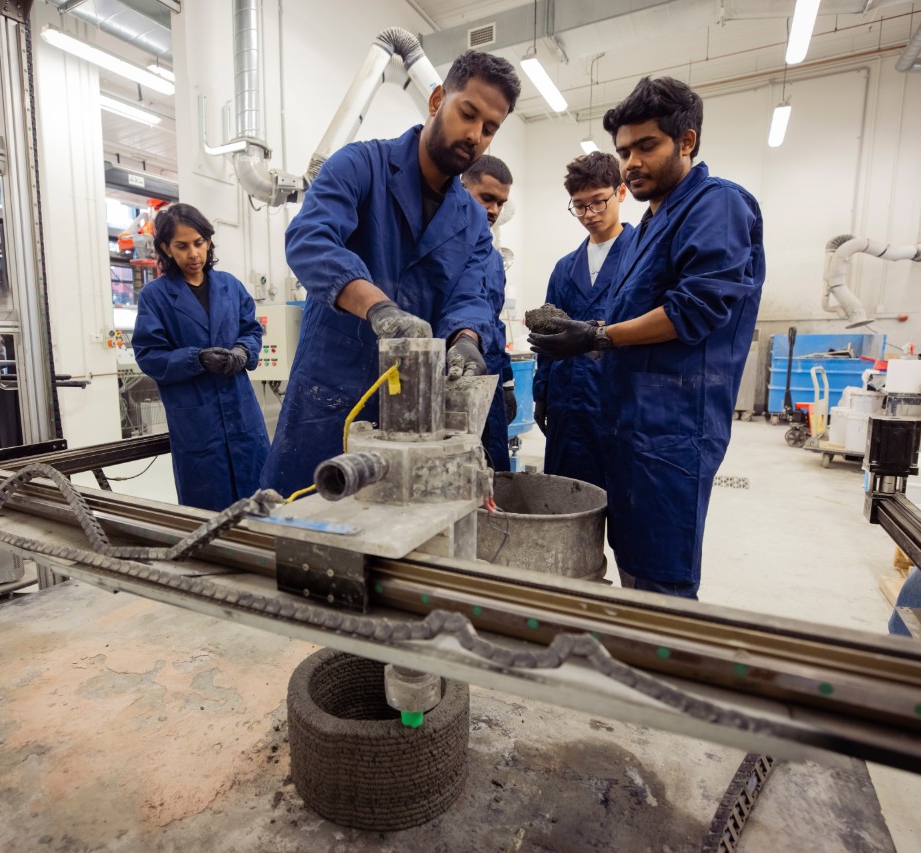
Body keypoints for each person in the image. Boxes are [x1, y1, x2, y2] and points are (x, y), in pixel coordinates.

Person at [528, 77, 765, 599]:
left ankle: (660, 669)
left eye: (646, 146)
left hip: (672, 431)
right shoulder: (655, 220)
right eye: (624, 151)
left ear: (687, 140)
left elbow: (696, 308)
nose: (632, 161)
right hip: (625, 425)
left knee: (662, 578)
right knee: (630, 561)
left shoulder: (716, 204)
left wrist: (596, 337)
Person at [261, 50, 522, 497]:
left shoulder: (474, 222)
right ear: (438, 99)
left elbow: (471, 295)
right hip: (331, 398)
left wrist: (467, 339)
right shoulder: (360, 166)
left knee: (405, 537)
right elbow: (310, 238)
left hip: (416, 410)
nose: (475, 135)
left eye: (490, 128)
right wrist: (377, 308)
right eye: (468, 113)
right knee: (305, 528)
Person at [132, 203, 270, 512]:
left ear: (208, 242)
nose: (193, 253)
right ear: (166, 248)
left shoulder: (230, 287)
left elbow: (251, 331)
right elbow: (149, 354)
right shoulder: (155, 296)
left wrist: (242, 352)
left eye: (199, 243)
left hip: (241, 411)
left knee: (258, 497)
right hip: (197, 419)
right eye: (182, 246)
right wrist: (197, 359)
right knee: (207, 506)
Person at [532, 152, 634, 488]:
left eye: (598, 202)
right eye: (579, 206)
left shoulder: (641, 256)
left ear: (620, 192)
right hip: (567, 402)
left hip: (619, 401)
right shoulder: (564, 268)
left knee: (619, 501)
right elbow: (546, 335)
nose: (589, 214)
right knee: (564, 499)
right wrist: (542, 393)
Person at [461, 154, 516, 472]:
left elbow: (494, 325)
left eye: (500, 203)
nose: (494, 210)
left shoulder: (494, 261)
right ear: (463, 189)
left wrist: (507, 383)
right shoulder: (441, 250)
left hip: (491, 380)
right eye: (486, 198)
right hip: (453, 382)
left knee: (493, 473)